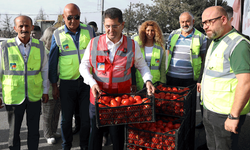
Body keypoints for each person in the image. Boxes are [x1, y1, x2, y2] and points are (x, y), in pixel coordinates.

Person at [79, 7, 155, 150]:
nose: (111, 30)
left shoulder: (132, 45)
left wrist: (148, 80)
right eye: (107, 26)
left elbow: (142, 66)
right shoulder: (94, 43)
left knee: (118, 136)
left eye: (115, 26)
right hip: (98, 98)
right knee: (95, 135)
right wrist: (92, 83)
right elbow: (83, 66)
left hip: (121, 100)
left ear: (122, 25)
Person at [200, 6, 250, 150]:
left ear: (223, 19)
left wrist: (234, 116)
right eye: (203, 23)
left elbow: (246, 83)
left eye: (209, 22)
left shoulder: (238, 45)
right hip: (210, 109)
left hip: (225, 114)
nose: (205, 27)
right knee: (213, 146)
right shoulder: (216, 41)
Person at [49, 3, 95, 150]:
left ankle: (84, 146)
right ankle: (66, 146)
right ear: (64, 17)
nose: (73, 21)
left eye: (77, 17)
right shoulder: (57, 34)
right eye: (70, 18)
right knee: (66, 119)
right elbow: (53, 62)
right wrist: (54, 85)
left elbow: (97, 55)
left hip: (86, 83)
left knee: (86, 119)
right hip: (67, 84)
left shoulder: (89, 31)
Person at [0, 15, 49, 150]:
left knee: (34, 132)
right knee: (13, 133)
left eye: (27, 26)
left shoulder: (40, 46)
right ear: (15, 28)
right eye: (20, 26)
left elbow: (45, 69)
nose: (24, 29)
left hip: (34, 95)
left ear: (32, 27)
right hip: (14, 96)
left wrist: (45, 91)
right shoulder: (4, 46)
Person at [40, 26, 61, 144]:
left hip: (58, 85)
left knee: (56, 111)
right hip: (47, 87)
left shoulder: (57, 50)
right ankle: (48, 134)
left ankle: (53, 131)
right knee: (47, 113)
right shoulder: (44, 51)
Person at [135, 20, 166, 90]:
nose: (150, 33)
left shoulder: (160, 47)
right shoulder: (138, 46)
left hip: (155, 82)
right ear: (144, 31)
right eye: (148, 30)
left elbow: (162, 67)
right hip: (140, 81)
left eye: (152, 30)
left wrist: (163, 82)